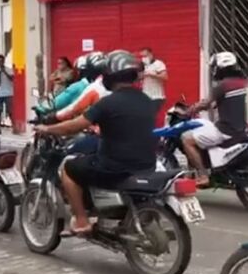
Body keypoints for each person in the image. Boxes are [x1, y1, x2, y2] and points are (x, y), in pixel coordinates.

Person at [35, 50, 157, 234]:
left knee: (69, 168)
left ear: (110, 75)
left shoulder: (108, 103)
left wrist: (47, 129)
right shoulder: (147, 101)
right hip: (147, 164)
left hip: (114, 166)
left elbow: (73, 126)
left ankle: (82, 221)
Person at [182, 52, 248, 186]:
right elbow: (227, 102)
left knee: (186, 139)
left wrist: (191, 109)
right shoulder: (241, 83)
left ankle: (203, 175)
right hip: (240, 128)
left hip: (225, 129)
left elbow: (206, 104)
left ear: (219, 68)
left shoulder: (221, 86)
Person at [140, 47, 168, 114]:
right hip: (145, 95)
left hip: (156, 96)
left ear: (151, 54)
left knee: (151, 114)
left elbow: (165, 77)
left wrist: (152, 75)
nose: (144, 58)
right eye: (143, 56)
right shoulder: (141, 66)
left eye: (145, 56)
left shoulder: (158, 64)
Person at [0, 54, 14, 128]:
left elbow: (12, 79)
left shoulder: (9, 69)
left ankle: (13, 126)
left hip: (8, 93)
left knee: (10, 111)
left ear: (4, 61)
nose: (0, 63)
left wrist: (4, 72)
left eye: (2, 61)